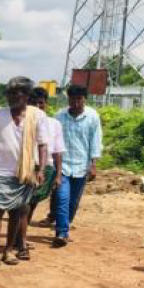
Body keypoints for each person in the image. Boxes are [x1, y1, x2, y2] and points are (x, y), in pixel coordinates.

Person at [0, 77, 48, 269]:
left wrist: (41, 169)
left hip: (24, 172)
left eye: (15, 95)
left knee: (17, 212)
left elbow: (43, 145)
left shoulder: (38, 115)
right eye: (8, 94)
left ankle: (8, 250)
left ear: (26, 96)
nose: (10, 99)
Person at [14, 87, 66, 259]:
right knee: (24, 204)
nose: (37, 106)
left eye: (41, 103)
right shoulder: (20, 121)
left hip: (46, 168)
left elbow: (58, 150)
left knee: (32, 204)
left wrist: (58, 174)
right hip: (25, 166)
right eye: (33, 103)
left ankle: (19, 237)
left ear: (46, 104)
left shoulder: (54, 124)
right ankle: (20, 240)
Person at [53, 84, 102, 247]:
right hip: (63, 166)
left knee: (73, 202)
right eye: (72, 99)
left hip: (82, 166)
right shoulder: (59, 117)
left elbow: (95, 141)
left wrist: (93, 164)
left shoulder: (92, 117)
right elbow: (53, 141)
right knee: (62, 198)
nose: (75, 103)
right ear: (68, 99)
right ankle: (61, 232)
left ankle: (65, 224)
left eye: (79, 99)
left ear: (85, 99)